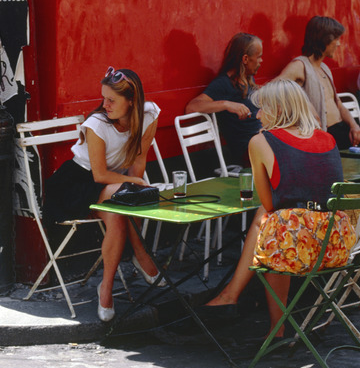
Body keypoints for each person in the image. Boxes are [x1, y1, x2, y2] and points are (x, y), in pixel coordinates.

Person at [203, 78, 343, 329]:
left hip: (301, 249)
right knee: (274, 222)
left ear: (278, 109)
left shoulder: (261, 141)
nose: (257, 115)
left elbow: (268, 203)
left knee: (271, 224)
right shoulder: (328, 139)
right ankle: (233, 298)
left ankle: (273, 324)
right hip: (337, 245)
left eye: (262, 108)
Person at [42, 66, 162, 322]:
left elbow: (139, 159)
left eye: (111, 100)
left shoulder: (149, 115)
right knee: (127, 193)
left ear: (132, 101)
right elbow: (99, 175)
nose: (105, 105)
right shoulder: (97, 124)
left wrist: (135, 181)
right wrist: (133, 181)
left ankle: (105, 287)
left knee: (121, 208)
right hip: (76, 184)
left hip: (112, 184)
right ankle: (140, 253)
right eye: (104, 98)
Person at [278, 16, 360, 148]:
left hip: (341, 132)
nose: (338, 44)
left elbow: (339, 105)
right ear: (325, 39)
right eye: (336, 39)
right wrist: (304, 106)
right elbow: (273, 89)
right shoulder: (299, 66)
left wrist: (353, 124)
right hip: (323, 136)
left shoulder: (325, 68)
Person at [185, 32, 263, 165]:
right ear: (245, 59)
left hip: (261, 141)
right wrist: (227, 104)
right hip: (248, 151)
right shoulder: (223, 83)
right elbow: (191, 107)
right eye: (259, 57)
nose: (261, 61)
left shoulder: (248, 79)